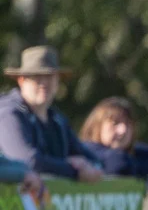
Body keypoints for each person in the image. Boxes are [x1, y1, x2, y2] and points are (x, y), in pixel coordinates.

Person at [0, 46, 101, 181]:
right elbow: (27, 161)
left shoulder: (57, 120)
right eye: (37, 77)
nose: (44, 83)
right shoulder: (8, 114)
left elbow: (94, 161)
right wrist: (73, 170)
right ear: (22, 80)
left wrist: (89, 167)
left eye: (50, 76)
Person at [78, 97, 148, 178]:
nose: (123, 130)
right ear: (97, 126)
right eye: (115, 123)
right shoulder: (82, 152)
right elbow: (119, 163)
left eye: (128, 124)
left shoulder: (144, 154)